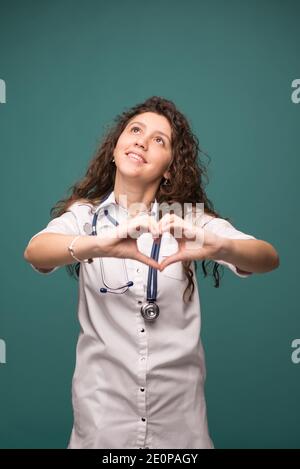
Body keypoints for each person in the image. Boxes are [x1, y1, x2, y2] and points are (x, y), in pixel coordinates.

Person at [23, 96, 280, 449]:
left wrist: (220, 245)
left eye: (159, 140)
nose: (142, 141)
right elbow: (36, 251)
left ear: (170, 167)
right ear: (115, 149)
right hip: (102, 426)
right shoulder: (86, 217)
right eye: (135, 131)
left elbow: (267, 258)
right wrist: (97, 244)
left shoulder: (187, 220)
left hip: (179, 428)